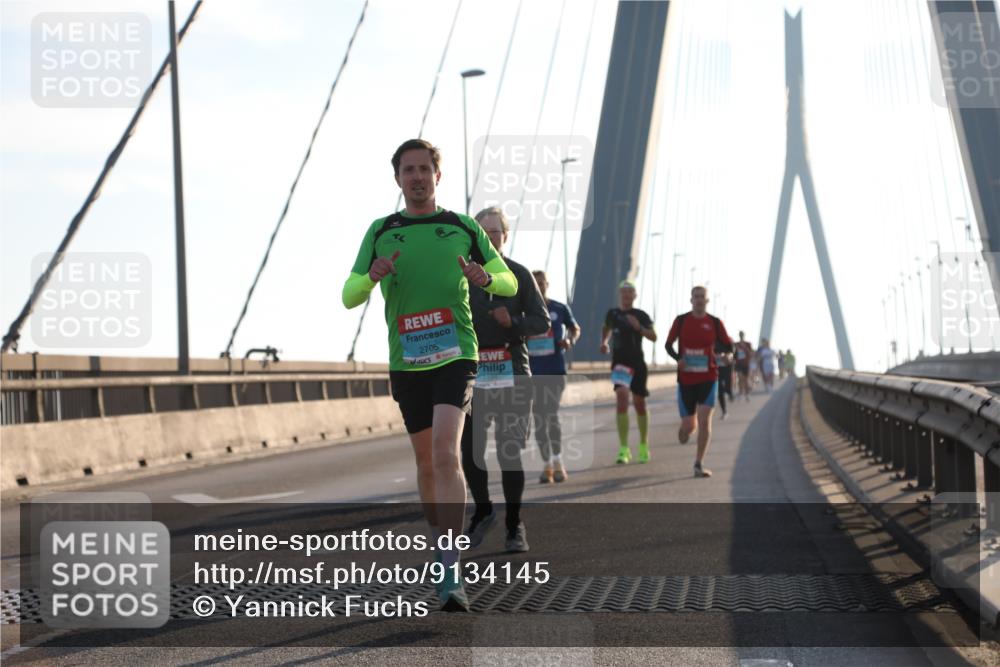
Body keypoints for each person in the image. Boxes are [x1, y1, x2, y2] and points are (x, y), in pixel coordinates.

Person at [342, 139, 517, 611]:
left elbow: (508, 281)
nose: (417, 177)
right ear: (397, 178)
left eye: (424, 169)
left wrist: (485, 277)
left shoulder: (461, 226)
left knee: (445, 453)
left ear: (438, 176)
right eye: (409, 170)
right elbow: (349, 295)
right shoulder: (382, 231)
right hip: (408, 362)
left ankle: (452, 567)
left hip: (456, 354)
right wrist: (371, 276)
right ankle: (441, 546)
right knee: (425, 464)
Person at [461, 207, 549, 554]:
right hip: (473, 374)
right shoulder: (462, 276)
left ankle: (514, 525)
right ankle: (483, 511)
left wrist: (513, 322)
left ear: (505, 237)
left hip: (512, 371)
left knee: (509, 452)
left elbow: (541, 322)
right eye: (482, 232)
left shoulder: (519, 274)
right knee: (470, 451)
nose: (489, 237)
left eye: (495, 232)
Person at [665, 286, 733, 478]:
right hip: (686, 379)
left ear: (707, 300)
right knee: (690, 426)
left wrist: (728, 356)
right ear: (691, 300)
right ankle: (685, 429)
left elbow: (729, 346)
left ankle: (698, 463)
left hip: (708, 377)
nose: (699, 299)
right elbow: (668, 345)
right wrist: (678, 358)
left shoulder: (715, 322)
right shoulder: (681, 321)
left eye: (702, 296)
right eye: (696, 296)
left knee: (704, 421)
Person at [527, 270, 580, 484]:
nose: (539, 286)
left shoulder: (559, 308)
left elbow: (575, 328)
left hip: (555, 371)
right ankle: (547, 464)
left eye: (542, 283)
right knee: (539, 419)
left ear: (547, 284)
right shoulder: (525, 311)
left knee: (550, 414)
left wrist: (570, 340)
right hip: (532, 373)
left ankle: (558, 462)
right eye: (535, 283)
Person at [600, 280, 656, 464]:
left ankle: (643, 445)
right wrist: (604, 342)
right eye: (623, 292)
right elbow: (606, 328)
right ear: (620, 295)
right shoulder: (612, 314)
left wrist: (639, 327)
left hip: (638, 364)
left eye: (630, 292)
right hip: (620, 364)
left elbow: (654, 336)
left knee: (639, 404)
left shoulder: (641, 315)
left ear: (634, 295)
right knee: (622, 398)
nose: (626, 295)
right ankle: (624, 449)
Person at [733, 331, 754, 402]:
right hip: (738, 363)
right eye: (740, 335)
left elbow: (751, 353)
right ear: (739, 335)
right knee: (740, 378)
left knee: (745, 380)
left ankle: (747, 394)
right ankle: (740, 394)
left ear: (744, 335)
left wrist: (745, 349)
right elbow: (734, 353)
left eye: (742, 335)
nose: (741, 336)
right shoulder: (736, 344)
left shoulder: (748, 344)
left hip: (746, 363)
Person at [716, 348, 734, 420]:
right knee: (720, 390)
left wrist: (727, 357)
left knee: (727, 387)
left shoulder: (726, 343)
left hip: (727, 369)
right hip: (717, 370)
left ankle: (730, 393)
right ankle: (724, 411)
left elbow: (732, 353)